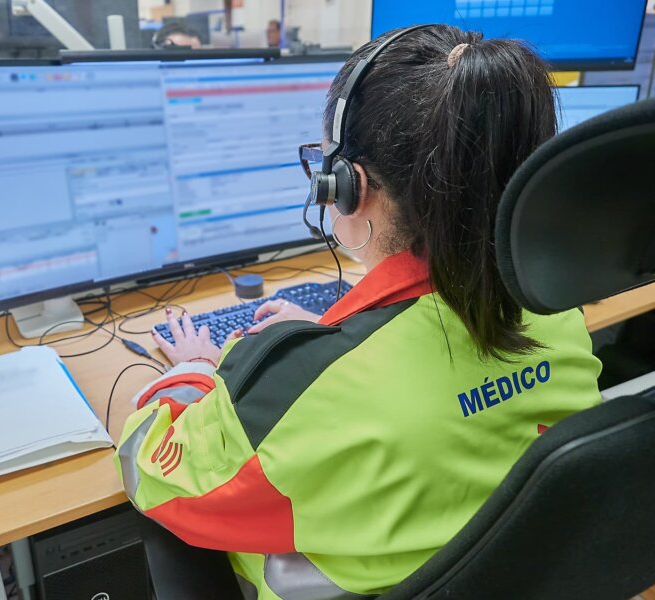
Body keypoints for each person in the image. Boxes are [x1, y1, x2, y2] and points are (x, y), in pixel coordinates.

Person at [116, 24, 602, 598]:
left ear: (351, 187)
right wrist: (322, 342)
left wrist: (194, 373)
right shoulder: (555, 315)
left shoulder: (311, 390)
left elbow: (148, 470)